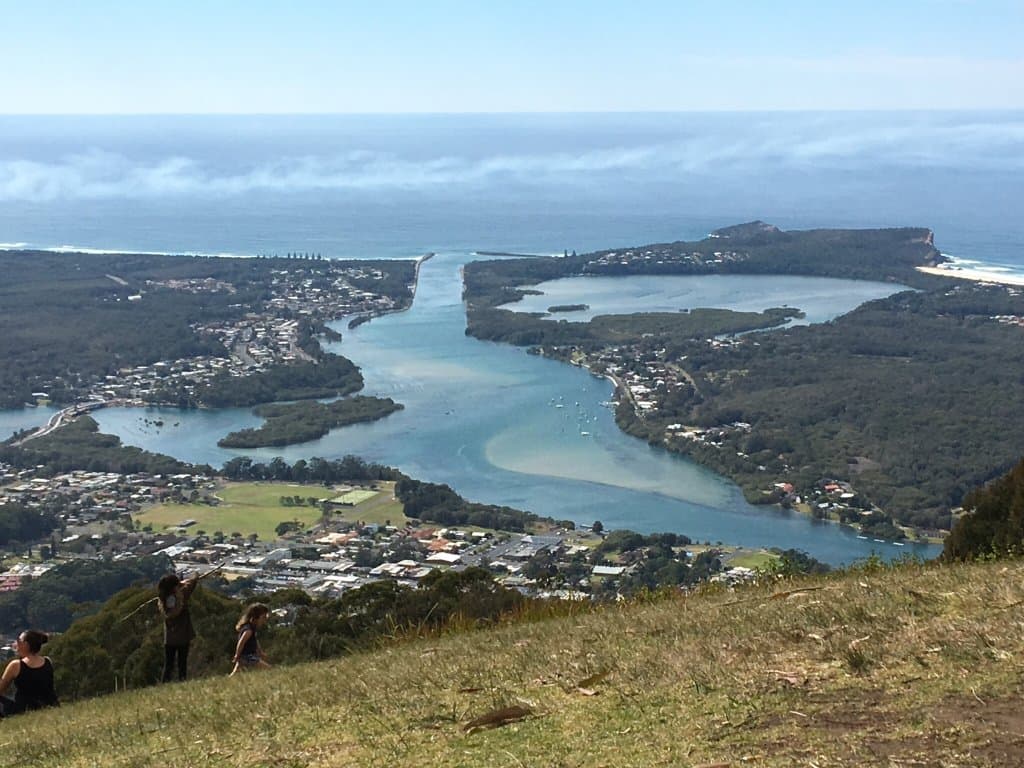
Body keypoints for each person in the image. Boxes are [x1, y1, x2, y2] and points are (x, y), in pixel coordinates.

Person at [0, 630, 59, 717]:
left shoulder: (16, 665)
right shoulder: (48, 661)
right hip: (50, 705)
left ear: (26, 645)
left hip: (24, 709)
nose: (16, 644)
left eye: (19, 641)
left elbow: (1, 688)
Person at [158, 572, 199, 682]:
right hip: (183, 636)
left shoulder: (163, 600)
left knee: (169, 664)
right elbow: (192, 582)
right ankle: (182, 681)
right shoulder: (181, 596)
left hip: (169, 638)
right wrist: (193, 577)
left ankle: (164, 682)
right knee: (182, 663)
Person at [230, 603, 271, 676]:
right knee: (268, 669)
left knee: (235, 674)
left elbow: (255, 641)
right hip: (247, 657)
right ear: (256, 617)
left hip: (244, 656)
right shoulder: (248, 630)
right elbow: (241, 643)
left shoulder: (252, 628)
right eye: (263, 617)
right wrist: (237, 655)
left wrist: (260, 652)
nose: (264, 620)